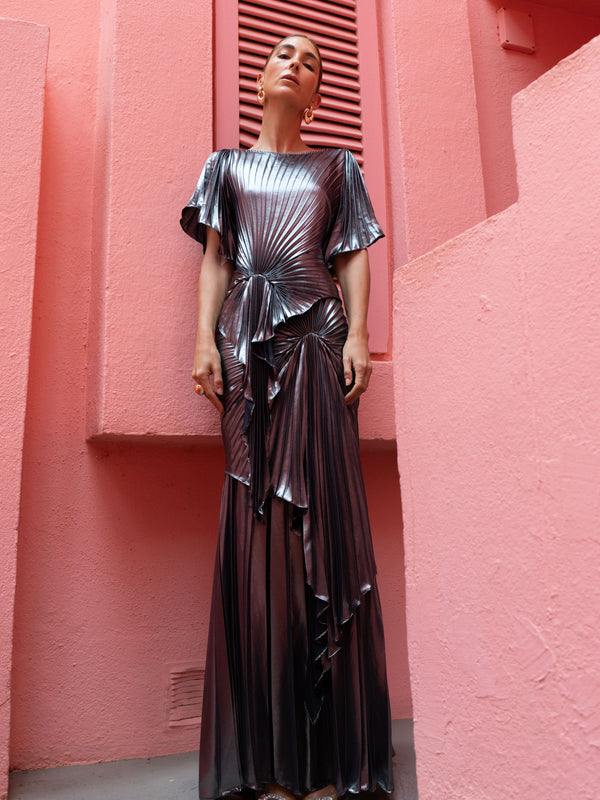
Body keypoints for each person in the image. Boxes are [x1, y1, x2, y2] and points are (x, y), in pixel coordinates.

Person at [180, 33, 393, 800]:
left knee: (320, 517)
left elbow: (352, 255)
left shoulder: (338, 166)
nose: (294, 64)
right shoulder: (224, 167)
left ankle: (330, 758)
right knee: (257, 522)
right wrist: (203, 341)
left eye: (310, 62)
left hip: (316, 340)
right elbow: (216, 260)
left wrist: (360, 335)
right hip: (245, 344)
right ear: (260, 78)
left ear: (317, 95)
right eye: (282, 54)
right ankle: (268, 761)